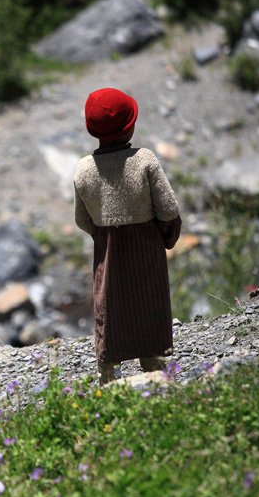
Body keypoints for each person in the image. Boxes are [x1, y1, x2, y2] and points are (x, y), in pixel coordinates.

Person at [73, 88, 182, 384]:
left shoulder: (84, 169)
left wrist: (103, 235)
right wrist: (165, 237)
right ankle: (156, 374)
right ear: (130, 125)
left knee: (110, 308)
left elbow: (82, 220)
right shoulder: (145, 160)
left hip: (107, 249)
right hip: (145, 246)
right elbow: (169, 209)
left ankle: (109, 376)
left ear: (91, 129)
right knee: (147, 304)